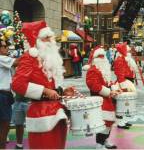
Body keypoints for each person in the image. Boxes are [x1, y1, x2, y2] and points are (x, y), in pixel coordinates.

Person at [12, 21, 76, 149]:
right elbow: (17, 84)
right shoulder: (29, 57)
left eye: (50, 37)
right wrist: (44, 90)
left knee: (58, 146)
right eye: (46, 37)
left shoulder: (50, 58)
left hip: (57, 111)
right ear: (37, 40)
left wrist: (63, 91)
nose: (50, 40)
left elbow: (51, 85)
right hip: (41, 112)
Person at [85, 46, 119, 149]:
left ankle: (105, 140)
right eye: (100, 57)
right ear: (95, 59)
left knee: (109, 122)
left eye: (104, 57)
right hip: (99, 100)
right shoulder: (93, 70)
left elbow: (108, 82)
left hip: (108, 98)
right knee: (103, 122)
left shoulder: (104, 70)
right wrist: (109, 92)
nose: (103, 59)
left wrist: (115, 88)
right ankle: (99, 145)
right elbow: (94, 86)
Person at [0, 39, 19, 149]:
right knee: (4, 124)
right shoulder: (1, 58)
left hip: (4, 95)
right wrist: (32, 53)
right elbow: (17, 62)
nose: (7, 48)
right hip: (2, 95)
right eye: (4, 46)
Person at [114, 42, 138, 129]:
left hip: (128, 81)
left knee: (126, 103)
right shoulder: (120, 59)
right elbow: (119, 73)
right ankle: (120, 122)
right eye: (128, 51)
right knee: (121, 103)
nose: (129, 52)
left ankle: (124, 121)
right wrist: (123, 86)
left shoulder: (126, 59)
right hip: (123, 82)